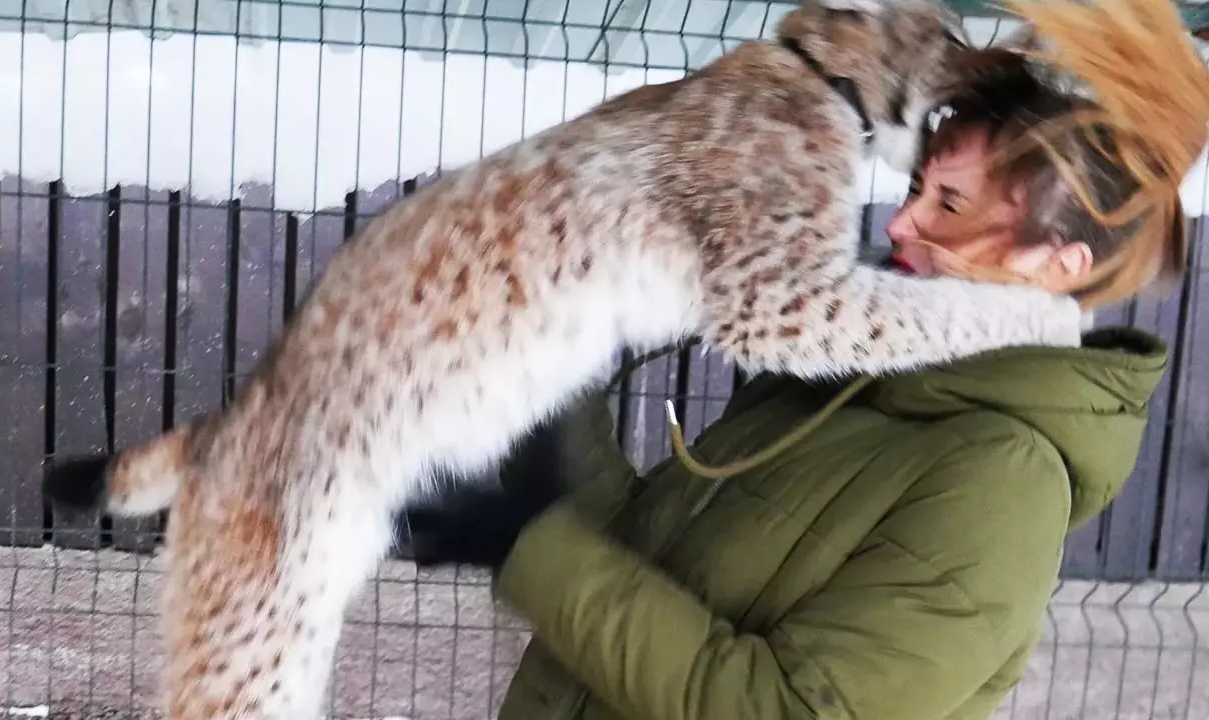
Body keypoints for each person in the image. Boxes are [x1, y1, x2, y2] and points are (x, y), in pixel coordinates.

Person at [396, 0, 1209, 717]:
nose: (899, 224)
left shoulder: (1005, 482)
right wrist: (545, 390)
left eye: (949, 204)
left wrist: (527, 547)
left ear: (1056, 263)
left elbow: (785, 708)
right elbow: (647, 560)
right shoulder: (851, 374)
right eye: (918, 186)